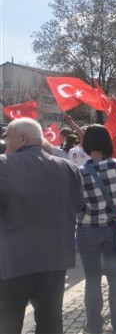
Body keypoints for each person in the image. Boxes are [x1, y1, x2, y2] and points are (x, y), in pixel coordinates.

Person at [0, 118, 84, 334]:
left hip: (13, 263)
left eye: (7, 136)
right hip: (55, 262)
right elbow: (79, 206)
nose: (5, 141)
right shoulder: (68, 167)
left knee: (8, 323)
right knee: (51, 321)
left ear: (22, 138)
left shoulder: (4, 165)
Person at [78, 125, 116, 334]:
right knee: (115, 277)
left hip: (88, 230)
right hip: (113, 230)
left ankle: (93, 325)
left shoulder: (80, 171)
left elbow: (76, 204)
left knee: (92, 279)